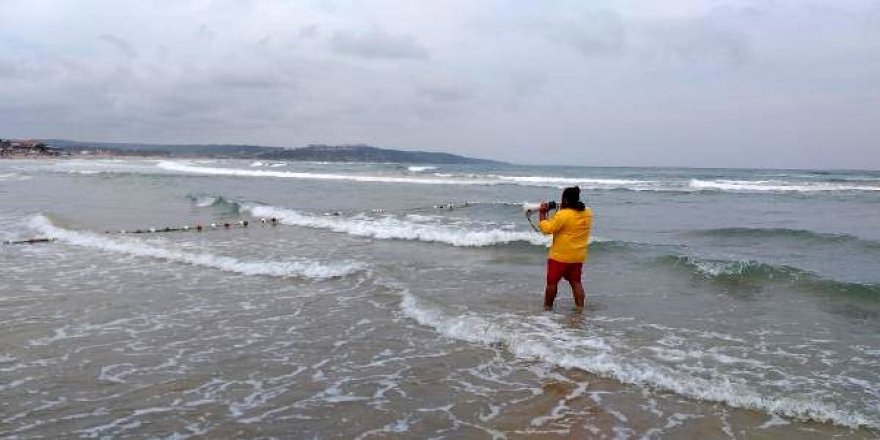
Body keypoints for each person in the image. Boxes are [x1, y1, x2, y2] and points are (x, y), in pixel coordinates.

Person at [538, 186, 592, 310]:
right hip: (578, 256)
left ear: (566, 200)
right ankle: (580, 309)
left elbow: (547, 229)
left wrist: (542, 213)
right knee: (576, 282)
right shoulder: (588, 213)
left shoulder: (563, 215)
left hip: (560, 256)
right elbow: (571, 217)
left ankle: (548, 308)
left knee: (552, 283)